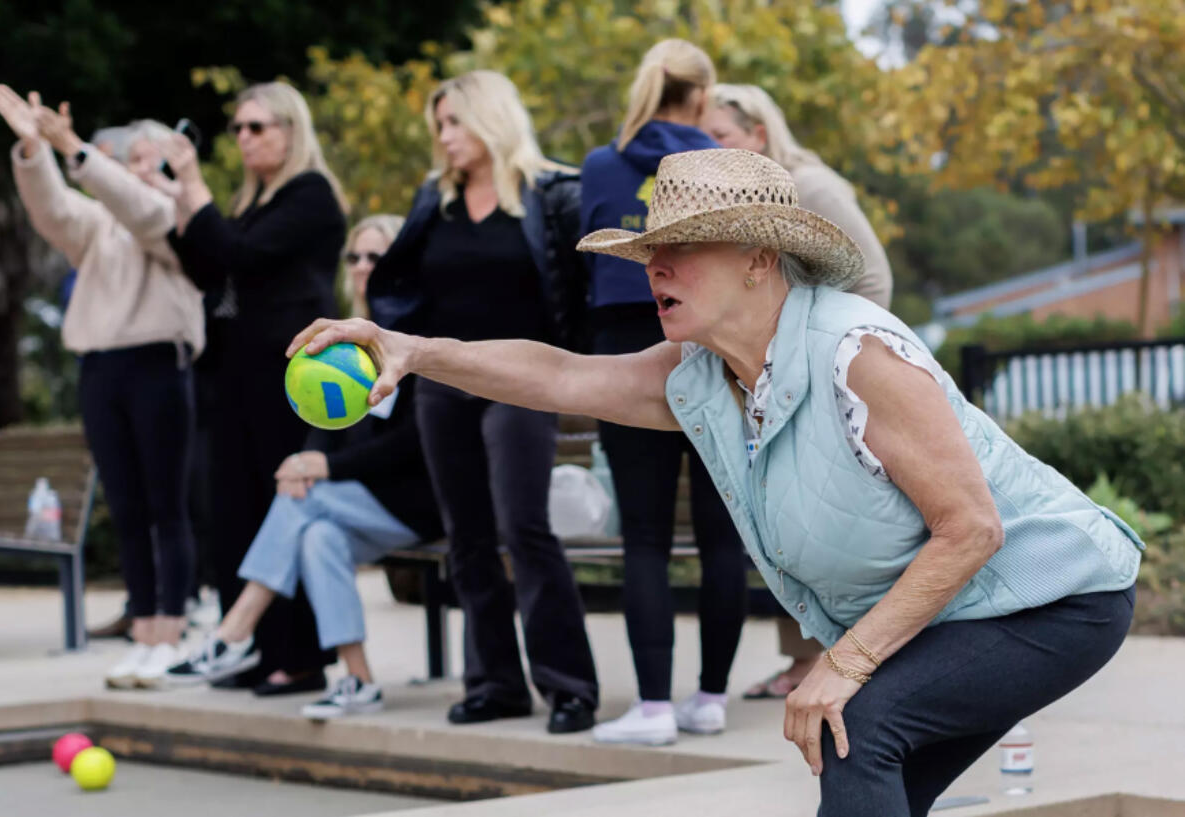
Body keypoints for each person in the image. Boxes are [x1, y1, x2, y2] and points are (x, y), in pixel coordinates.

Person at [289, 149, 1142, 817]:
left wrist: (842, 661)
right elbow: (557, 375)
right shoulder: (704, 379)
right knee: (868, 770)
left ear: (760, 260)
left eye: (681, 252)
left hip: (1052, 599)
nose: (654, 269)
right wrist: (416, 351)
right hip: (955, 612)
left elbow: (973, 530)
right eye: (651, 254)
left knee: (860, 728)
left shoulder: (860, 355)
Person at [366, 70, 598, 735]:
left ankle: (568, 685)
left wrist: (577, 365)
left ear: (490, 118)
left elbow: (577, 287)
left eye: (454, 122)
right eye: (438, 125)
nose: (443, 137)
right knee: (466, 536)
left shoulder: (550, 195)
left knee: (523, 527)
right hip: (443, 381)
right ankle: (495, 683)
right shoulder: (431, 201)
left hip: (523, 378)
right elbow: (402, 281)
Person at [164, 215, 442, 718]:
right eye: (353, 257)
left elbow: (413, 443)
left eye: (374, 256)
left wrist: (326, 470)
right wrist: (304, 460)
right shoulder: (343, 339)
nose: (361, 267)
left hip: (420, 499)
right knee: (317, 535)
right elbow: (324, 424)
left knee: (309, 496)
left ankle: (235, 631)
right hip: (359, 505)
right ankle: (358, 680)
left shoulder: (420, 338)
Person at [0, 85, 204, 687]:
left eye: (147, 159)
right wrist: (33, 149)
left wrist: (83, 154)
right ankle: (141, 634)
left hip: (159, 364)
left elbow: (143, 210)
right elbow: (55, 212)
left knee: (167, 508)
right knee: (129, 509)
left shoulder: (179, 220)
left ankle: (170, 631)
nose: (135, 170)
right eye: (130, 159)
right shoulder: (101, 226)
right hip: (101, 370)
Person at [702, 83, 894, 700]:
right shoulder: (737, 205)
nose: (710, 149)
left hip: (831, 384)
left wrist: (831, 358)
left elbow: (874, 276)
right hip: (774, 385)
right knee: (786, 518)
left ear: (759, 134)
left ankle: (860, 656)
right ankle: (804, 661)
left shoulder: (812, 189)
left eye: (720, 136)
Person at [155, 81, 347, 697]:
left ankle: (299, 654)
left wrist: (195, 187)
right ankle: (254, 648)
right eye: (238, 128)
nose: (243, 138)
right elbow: (208, 267)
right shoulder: (253, 201)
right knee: (231, 512)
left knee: (281, 506)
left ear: (290, 130)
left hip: (288, 373)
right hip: (236, 374)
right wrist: (180, 203)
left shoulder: (310, 194)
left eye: (257, 127)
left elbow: (243, 256)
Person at [580, 39, 746, 745]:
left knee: (643, 536)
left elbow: (586, 270)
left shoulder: (600, 166)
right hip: (716, 348)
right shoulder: (727, 169)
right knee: (722, 536)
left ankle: (651, 707)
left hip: (625, 354)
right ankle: (709, 698)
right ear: (703, 98)